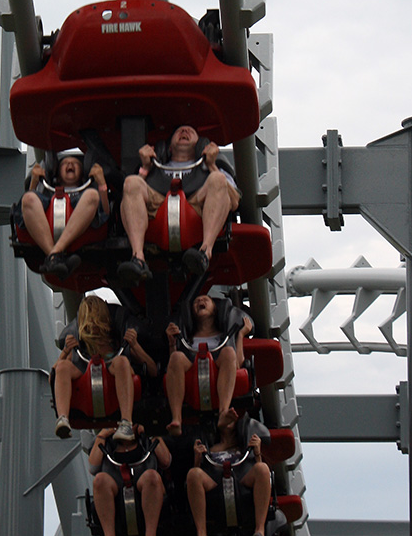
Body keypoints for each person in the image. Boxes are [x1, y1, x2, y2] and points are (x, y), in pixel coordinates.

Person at [117, 125, 240, 285]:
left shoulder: (212, 168)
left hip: (196, 211)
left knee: (218, 179)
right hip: (157, 212)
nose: (184, 132)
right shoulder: (155, 168)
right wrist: (145, 167)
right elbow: (129, 196)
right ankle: (138, 258)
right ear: (168, 147)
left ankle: (204, 253)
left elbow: (234, 201)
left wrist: (211, 165)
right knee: (131, 182)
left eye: (191, 131)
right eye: (179, 131)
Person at [52, 295, 157, 440]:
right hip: (86, 389)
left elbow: (153, 370)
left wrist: (135, 346)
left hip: (114, 383)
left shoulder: (119, 344)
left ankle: (126, 422)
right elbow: (54, 376)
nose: (93, 325)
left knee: (121, 362)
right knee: (63, 366)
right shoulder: (77, 350)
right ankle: (63, 418)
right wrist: (65, 352)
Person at [165, 294, 253, 437]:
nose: (200, 301)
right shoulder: (188, 339)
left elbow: (237, 364)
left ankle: (223, 412)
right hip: (192, 371)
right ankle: (176, 419)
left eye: (206, 299)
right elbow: (174, 366)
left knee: (229, 352)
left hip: (218, 371)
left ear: (214, 310)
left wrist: (241, 335)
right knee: (176, 356)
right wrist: (172, 343)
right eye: (196, 301)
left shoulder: (224, 337)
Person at [186, 408, 271, 536]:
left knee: (263, 469)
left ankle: (260, 530)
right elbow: (198, 473)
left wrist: (257, 452)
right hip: (215, 482)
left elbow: (256, 466)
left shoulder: (244, 446)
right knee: (193, 474)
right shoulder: (211, 447)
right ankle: (201, 535)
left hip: (241, 480)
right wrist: (197, 459)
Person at [17, 151, 109, 280]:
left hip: (86, 230)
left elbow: (105, 214)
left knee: (92, 195)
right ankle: (54, 256)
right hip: (47, 225)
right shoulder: (45, 197)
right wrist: (34, 182)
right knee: (28, 198)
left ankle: (54, 255)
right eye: (65, 163)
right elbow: (26, 211)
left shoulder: (88, 195)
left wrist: (101, 183)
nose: (70, 164)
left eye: (75, 163)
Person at [88, 424, 171, 536]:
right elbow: (93, 467)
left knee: (152, 476)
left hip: (144, 488)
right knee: (100, 479)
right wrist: (102, 435)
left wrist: (151, 433)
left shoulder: (145, 441)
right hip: (117, 490)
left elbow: (166, 461)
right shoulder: (108, 443)